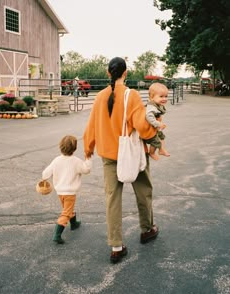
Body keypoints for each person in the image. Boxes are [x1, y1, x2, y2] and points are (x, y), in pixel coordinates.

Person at [83, 57, 159, 264]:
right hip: (132, 154)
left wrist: (89, 146)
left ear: (108, 73)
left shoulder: (100, 96)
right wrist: (157, 133)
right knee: (143, 191)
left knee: (112, 199)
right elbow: (141, 126)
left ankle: (116, 246)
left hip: (108, 155)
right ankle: (147, 230)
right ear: (125, 73)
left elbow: (92, 125)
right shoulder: (131, 95)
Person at [42, 135, 92, 244]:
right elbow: (86, 170)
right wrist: (88, 158)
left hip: (60, 192)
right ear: (74, 148)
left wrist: (44, 179)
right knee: (65, 213)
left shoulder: (56, 160)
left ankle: (74, 223)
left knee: (67, 209)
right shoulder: (76, 161)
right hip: (70, 192)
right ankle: (57, 235)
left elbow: (45, 173)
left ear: (60, 146)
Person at [145, 82, 170, 160]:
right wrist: (158, 124)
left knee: (161, 137)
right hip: (149, 129)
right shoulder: (151, 107)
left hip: (155, 127)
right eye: (161, 96)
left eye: (166, 96)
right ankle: (151, 153)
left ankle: (161, 150)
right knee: (156, 141)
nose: (164, 99)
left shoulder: (157, 105)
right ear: (152, 97)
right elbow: (148, 116)